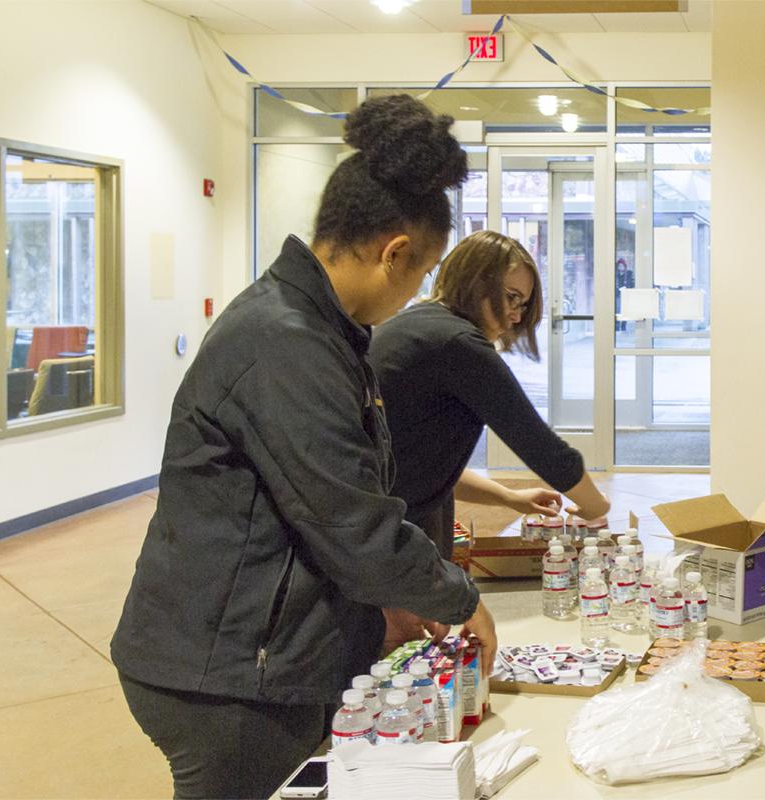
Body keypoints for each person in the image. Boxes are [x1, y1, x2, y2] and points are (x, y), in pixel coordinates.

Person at [110, 95, 495, 799]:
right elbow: (354, 525)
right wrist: (457, 597)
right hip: (222, 674)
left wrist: (382, 609)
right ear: (395, 253)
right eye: (421, 276)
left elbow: (318, 512)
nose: (414, 296)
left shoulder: (318, 331)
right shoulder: (285, 342)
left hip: (256, 652)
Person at [367, 229, 610, 593]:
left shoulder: (421, 324)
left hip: (376, 522)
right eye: (511, 298)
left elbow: (416, 459)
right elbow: (542, 448)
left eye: (523, 305)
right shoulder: (458, 345)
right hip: (389, 537)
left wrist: (508, 498)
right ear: (476, 283)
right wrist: (596, 507)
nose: (515, 315)